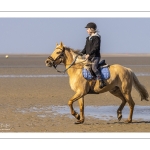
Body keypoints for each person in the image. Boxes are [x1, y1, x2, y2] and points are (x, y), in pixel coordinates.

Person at [81, 22, 106, 89]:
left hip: (95, 56)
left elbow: (96, 47)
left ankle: (101, 81)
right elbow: (85, 48)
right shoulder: (88, 38)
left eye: (87, 29)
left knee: (94, 68)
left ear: (92, 29)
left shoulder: (96, 37)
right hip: (89, 57)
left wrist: (89, 54)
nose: (87, 30)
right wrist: (80, 54)